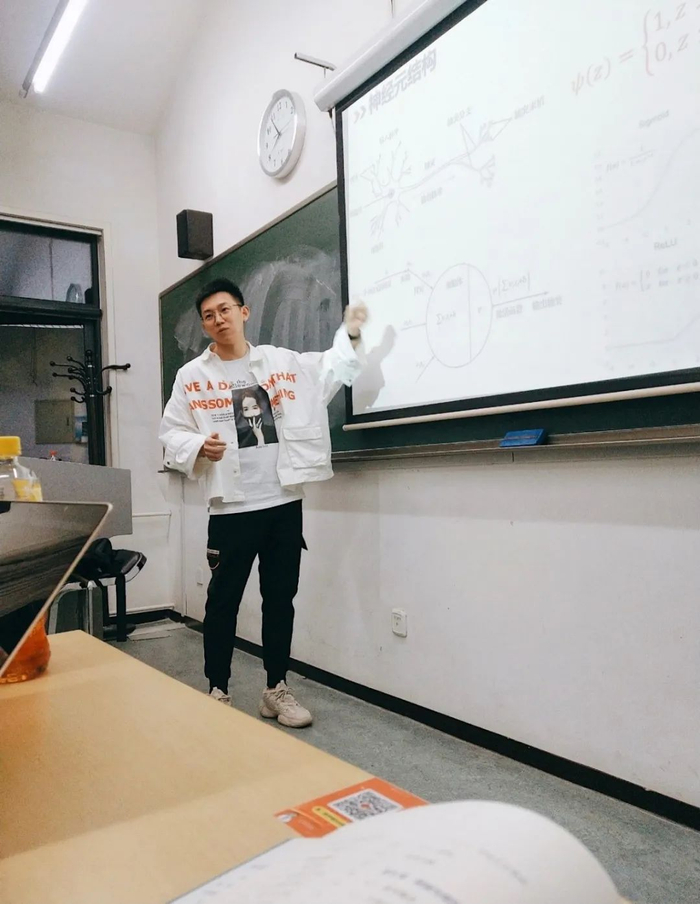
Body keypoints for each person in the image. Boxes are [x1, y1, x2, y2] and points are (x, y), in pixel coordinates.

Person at [159, 277, 367, 727]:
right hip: (231, 508)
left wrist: (350, 334)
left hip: (282, 502)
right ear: (204, 325)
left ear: (244, 312)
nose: (218, 320)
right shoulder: (192, 376)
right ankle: (217, 690)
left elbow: (331, 370)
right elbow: (171, 432)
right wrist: (197, 447)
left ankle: (276, 689)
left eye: (225, 310)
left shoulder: (281, 363)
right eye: (209, 315)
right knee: (223, 603)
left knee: (280, 599)